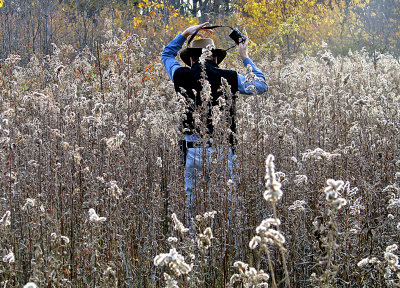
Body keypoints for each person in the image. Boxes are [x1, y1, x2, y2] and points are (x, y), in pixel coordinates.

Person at [161, 22, 268, 218]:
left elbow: (166, 55)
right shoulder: (230, 77)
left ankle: (193, 243)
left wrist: (184, 34)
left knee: (191, 205)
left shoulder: (180, 75)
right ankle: (229, 244)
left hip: (192, 150)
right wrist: (245, 57)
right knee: (227, 205)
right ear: (216, 58)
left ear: (191, 60)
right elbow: (261, 85)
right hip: (222, 149)